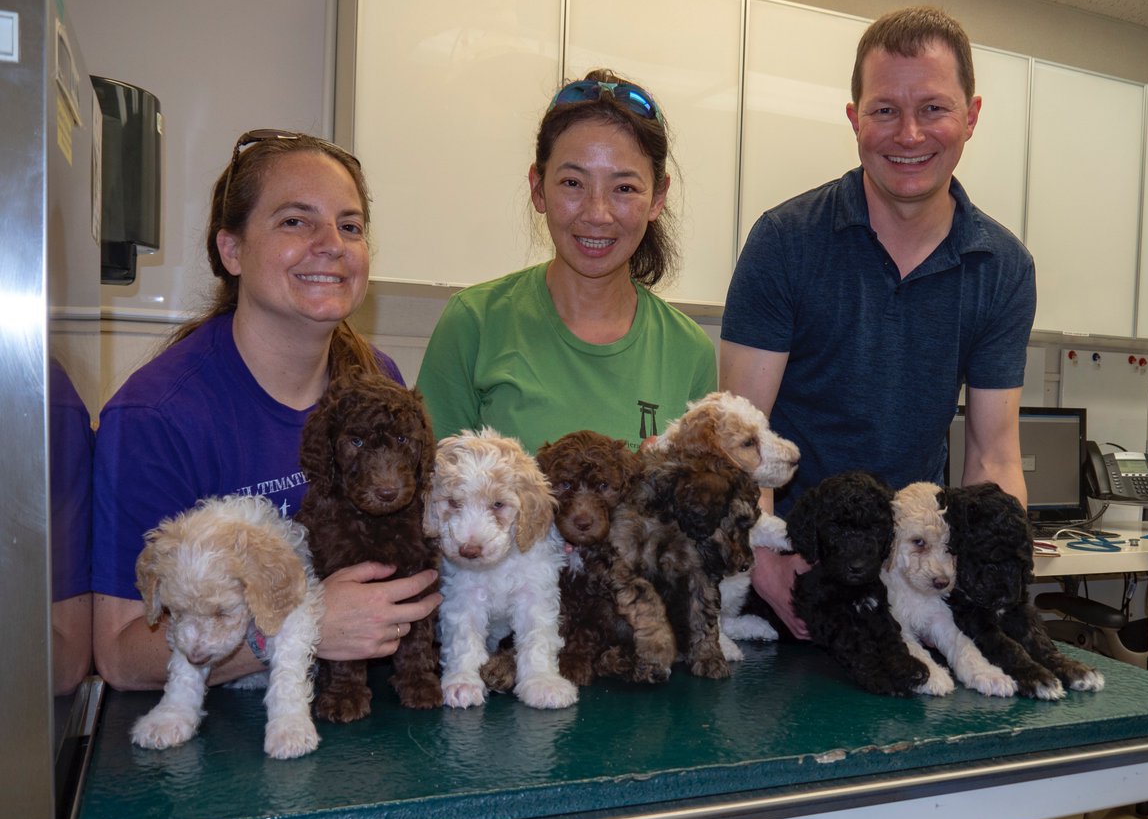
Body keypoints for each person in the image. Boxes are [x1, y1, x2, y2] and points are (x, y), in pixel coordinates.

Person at [720, 7, 1036, 637]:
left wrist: (994, 574)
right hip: (789, 567)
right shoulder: (785, 241)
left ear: (971, 116)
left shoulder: (1002, 268)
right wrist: (762, 559)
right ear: (854, 119)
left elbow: (993, 454)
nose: (909, 134)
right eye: (885, 109)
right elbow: (738, 437)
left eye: (934, 109)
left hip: (917, 570)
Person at [92, 130, 442, 691]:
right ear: (231, 250)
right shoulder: (155, 417)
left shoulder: (380, 384)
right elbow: (120, 652)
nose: (332, 243)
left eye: (350, 226)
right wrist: (295, 629)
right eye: (295, 221)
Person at [416, 70, 716, 452]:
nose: (597, 213)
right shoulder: (473, 323)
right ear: (538, 188)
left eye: (624, 188)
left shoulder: (689, 353)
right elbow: (430, 489)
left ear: (658, 198)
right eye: (573, 183)